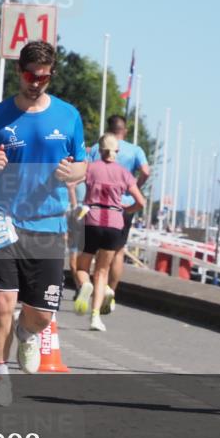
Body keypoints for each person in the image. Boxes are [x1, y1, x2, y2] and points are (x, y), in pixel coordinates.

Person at [0, 41, 86, 406]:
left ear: (51, 74)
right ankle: (0, 379)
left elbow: (83, 164)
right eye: (31, 75)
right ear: (19, 72)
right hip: (2, 221)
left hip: (47, 226)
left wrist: (73, 172)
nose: (36, 83)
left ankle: (27, 333)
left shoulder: (68, 115)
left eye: (44, 77)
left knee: (42, 315)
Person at [73, 134, 146, 331]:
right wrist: (125, 209)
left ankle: (84, 285)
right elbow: (141, 202)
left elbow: (71, 183)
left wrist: (75, 205)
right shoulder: (124, 173)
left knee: (82, 267)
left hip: (92, 220)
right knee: (102, 272)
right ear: (117, 151)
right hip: (114, 223)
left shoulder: (91, 168)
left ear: (99, 150)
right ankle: (95, 317)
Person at [83, 114, 150, 315]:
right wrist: (133, 188)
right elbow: (146, 171)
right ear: (125, 130)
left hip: (95, 209)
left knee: (91, 255)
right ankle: (110, 290)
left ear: (108, 130)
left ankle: (91, 287)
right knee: (118, 251)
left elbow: (85, 173)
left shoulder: (97, 148)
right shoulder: (135, 150)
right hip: (123, 206)